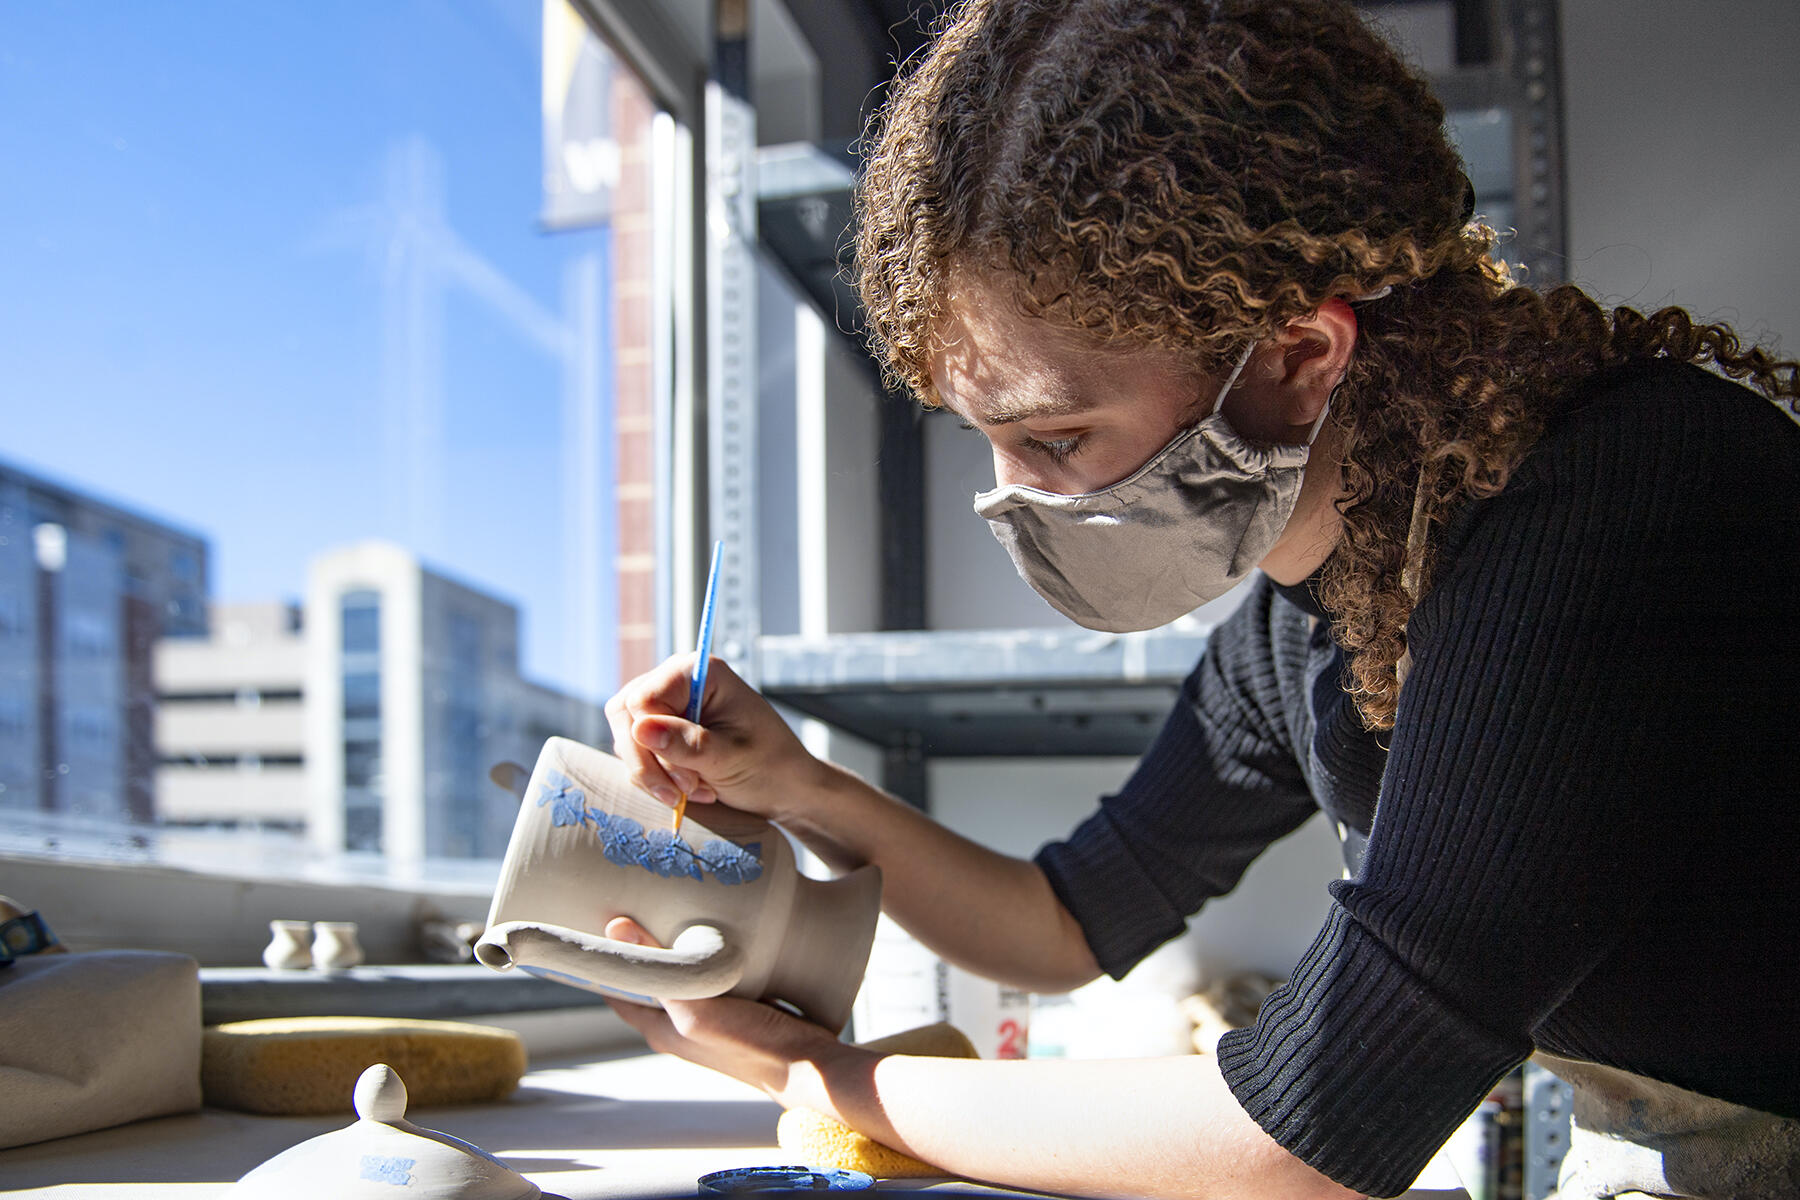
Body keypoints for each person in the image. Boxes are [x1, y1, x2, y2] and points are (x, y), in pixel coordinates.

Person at [601, 2, 1800, 1196]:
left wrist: (816, 1076)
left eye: (1058, 437)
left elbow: (1305, 1134)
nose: (1015, 501)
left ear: (1295, 356)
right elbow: (1063, 923)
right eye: (992, 446)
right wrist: (800, 788)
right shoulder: (1310, 607)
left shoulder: (1619, 505)